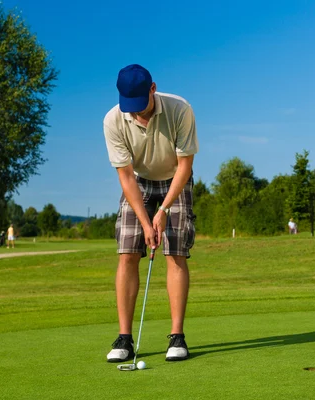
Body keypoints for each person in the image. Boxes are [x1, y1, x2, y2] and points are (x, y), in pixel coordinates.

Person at [103, 64, 198, 363]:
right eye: (129, 106)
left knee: (175, 252)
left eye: (140, 105)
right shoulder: (113, 119)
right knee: (127, 252)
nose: (136, 113)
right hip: (139, 180)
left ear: (153, 89)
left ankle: (177, 337)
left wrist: (164, 210)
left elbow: (185, 166)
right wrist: (146, 221)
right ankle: (124, 339)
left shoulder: (180, 110)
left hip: (175, 178)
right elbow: (126, 176)